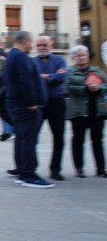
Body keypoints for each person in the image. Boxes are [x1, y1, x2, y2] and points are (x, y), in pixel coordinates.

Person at [3, 31, 53, 188]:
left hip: (15, 104)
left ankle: (22, 171)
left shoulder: (12, 56)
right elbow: (26, 80)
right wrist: (31, 102)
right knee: (28, 140)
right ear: (25, 41)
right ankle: (28, 174)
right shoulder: (20, 57)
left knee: (21, 139)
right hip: (24, 106)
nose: (32, 46)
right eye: (31, 42)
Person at [65, 45, 107, 178]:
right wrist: (86, 88)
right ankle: (79, 168)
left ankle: (100, 168)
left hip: (96, 111)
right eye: (79, 56)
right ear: (73, 58)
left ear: (88, 57)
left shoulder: (97, 70)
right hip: (78, 112)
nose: (82, 58)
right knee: (78, 140)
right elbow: (68, 87)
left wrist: (99, 87)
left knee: (97, 141)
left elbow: (106, 85)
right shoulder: (70, 72)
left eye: (84, 55)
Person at [31, 36, 67, 181]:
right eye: (39, 45)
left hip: (56, 103)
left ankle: (55, 169)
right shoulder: (32, 61)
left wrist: (43, 77)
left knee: (59, 138)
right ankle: (30, 167)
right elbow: (31, 79)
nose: (41, 48)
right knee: (32, 137)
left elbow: (62, 77)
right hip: (39, 104)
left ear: (51, 45)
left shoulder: (59, 60)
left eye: (44, 45)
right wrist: (51, 77)